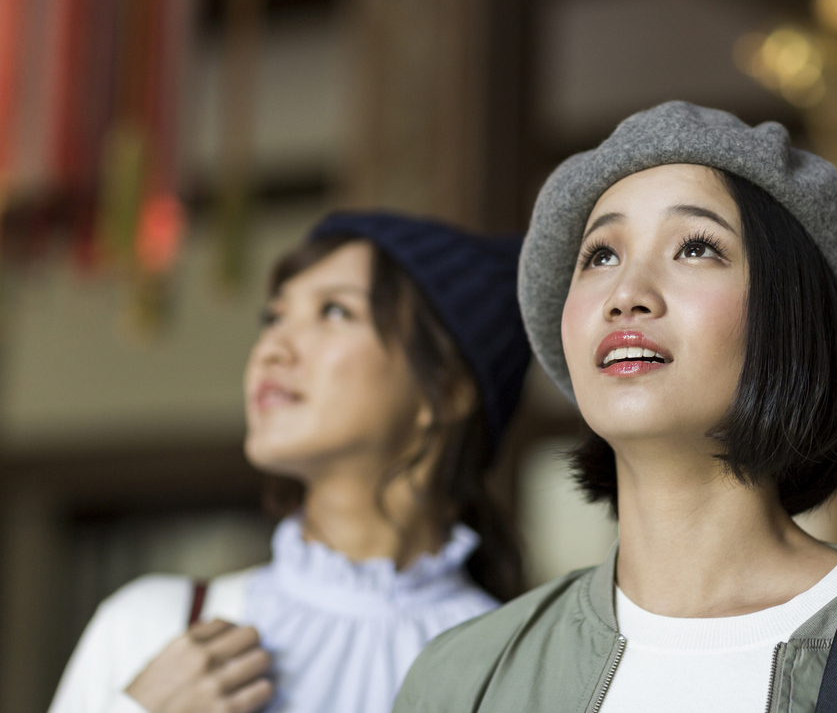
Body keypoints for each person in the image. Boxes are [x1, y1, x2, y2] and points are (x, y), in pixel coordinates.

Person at [393, 101, 837, 713]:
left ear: (791, 317)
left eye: (696, 248)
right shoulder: (464, 680)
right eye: (599, 255)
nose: (627, 292)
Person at [49, 212, 532, 713]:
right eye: (274, 318)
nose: (272, 350)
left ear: (449, 391)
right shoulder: (156, 627)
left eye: (335, 312)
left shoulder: (521, 676)